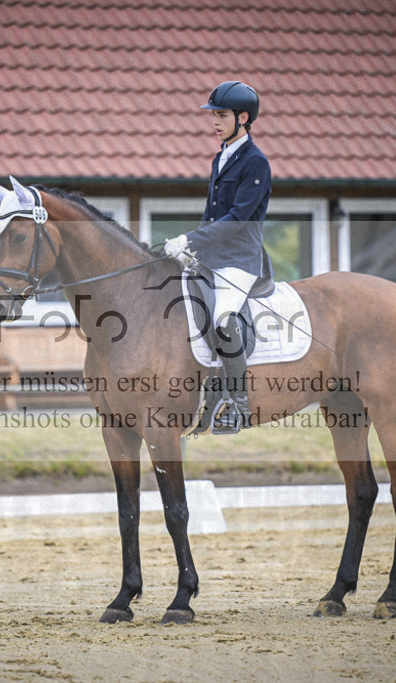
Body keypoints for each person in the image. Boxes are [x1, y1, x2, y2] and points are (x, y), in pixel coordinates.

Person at [164, 80, 272, 434]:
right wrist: (189, 247)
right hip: (213, 257)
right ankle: (206, 399)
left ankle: (238, 406)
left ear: (243, 118)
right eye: (213, 114)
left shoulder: (256, 163)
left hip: (241, 259)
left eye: (221, 115)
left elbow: (238, 218)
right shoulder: (221, 157)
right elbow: (212, 215)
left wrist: (190, 238)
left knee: (224, 318)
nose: (214, 121)